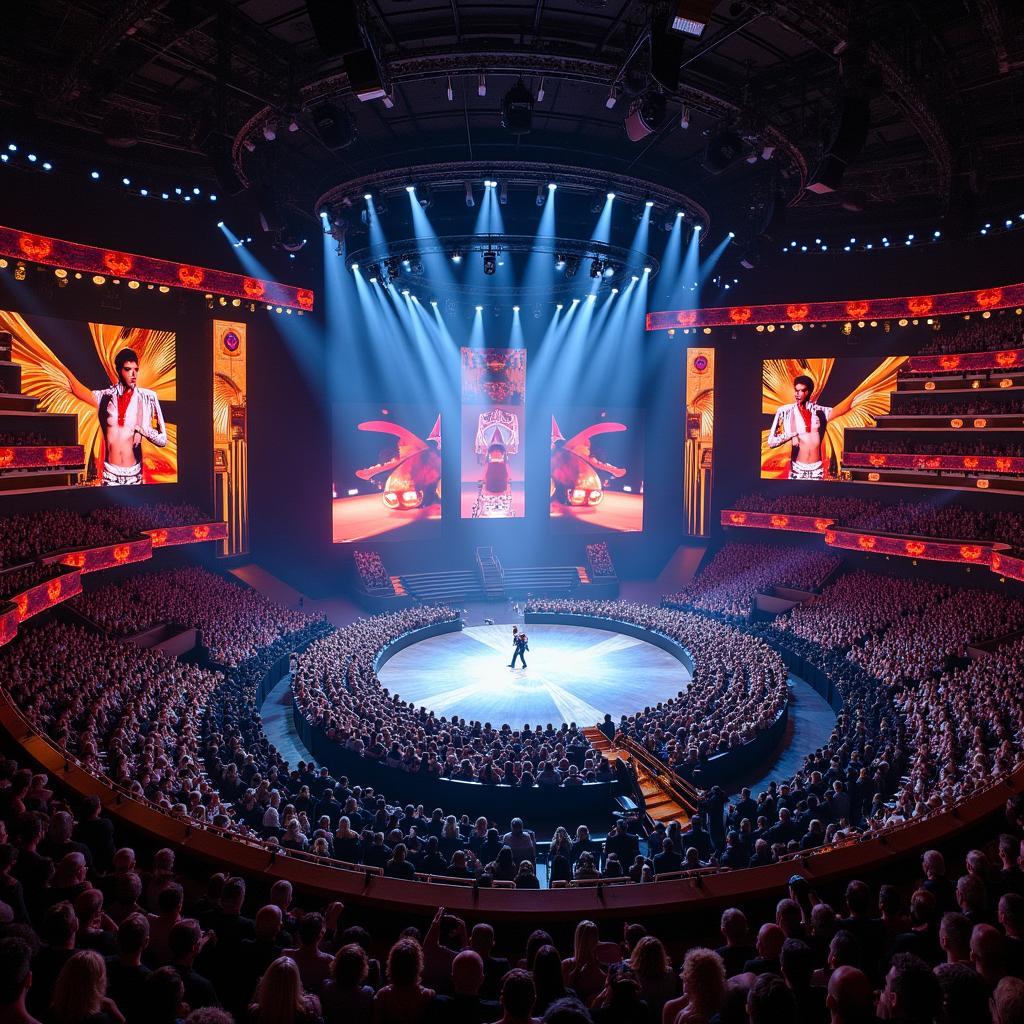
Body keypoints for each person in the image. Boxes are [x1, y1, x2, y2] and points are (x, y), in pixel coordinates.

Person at [92, 348, 167, 486]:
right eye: (128, 369)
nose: (133, 374)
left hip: (134, 475)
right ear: (119, 371)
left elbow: (163, 440)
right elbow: (80, 392)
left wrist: (143, 430)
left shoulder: (148, 397)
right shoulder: (105, 396)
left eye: (136, 370)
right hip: (110, 475)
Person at [766, 374, 833, 480]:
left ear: (808, 392)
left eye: (802, 390)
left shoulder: (819, 411)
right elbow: (771, 442)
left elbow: (839, 411)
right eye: (796, 390)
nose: (798, 394)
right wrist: (792, 434)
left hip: (817, 470)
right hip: (798, 469)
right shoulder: (785, 411)